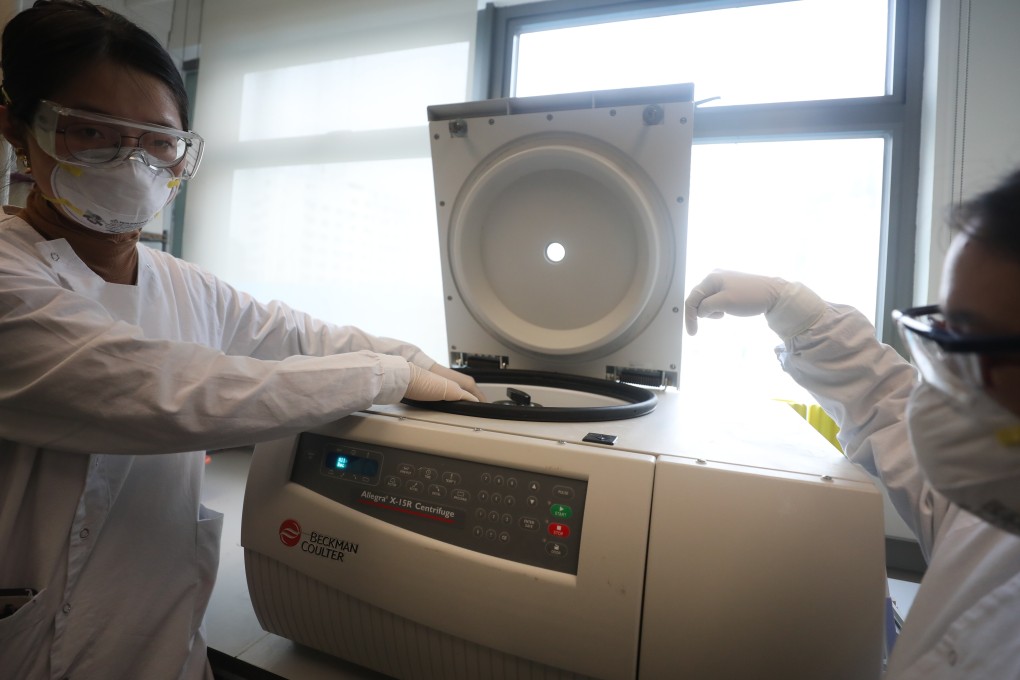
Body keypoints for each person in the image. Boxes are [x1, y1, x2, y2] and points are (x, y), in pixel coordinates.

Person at [0, 2, 482, 678]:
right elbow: (165, 393)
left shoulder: (185, 284)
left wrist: (421, 361)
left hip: (162, 648)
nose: (133, 163)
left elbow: (298, 337)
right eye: (90, 132)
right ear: (20, 131)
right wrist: (386, 377)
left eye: (158, 141)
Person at [684, 168, 1020, 679]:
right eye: (939, 336)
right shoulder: (997, 500)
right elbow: (890, 409)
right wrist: (793, 308)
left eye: (970, 348)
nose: (943, 391)